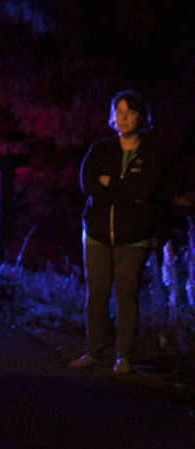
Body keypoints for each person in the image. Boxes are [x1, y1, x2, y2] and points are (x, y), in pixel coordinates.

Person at [70, 90, 168, 373]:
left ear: (142, 117)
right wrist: (127, 191)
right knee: (97, 293)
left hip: (134, 236)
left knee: (127, 294)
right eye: (119, 112)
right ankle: (93, 352)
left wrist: (110, 186)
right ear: (112, 116)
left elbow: (146, 188)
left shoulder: (152, 153)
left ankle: (125, 356)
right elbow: (88, 182)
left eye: (130, 112)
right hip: (97, 233)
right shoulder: (100, 150)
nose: (124, 118)